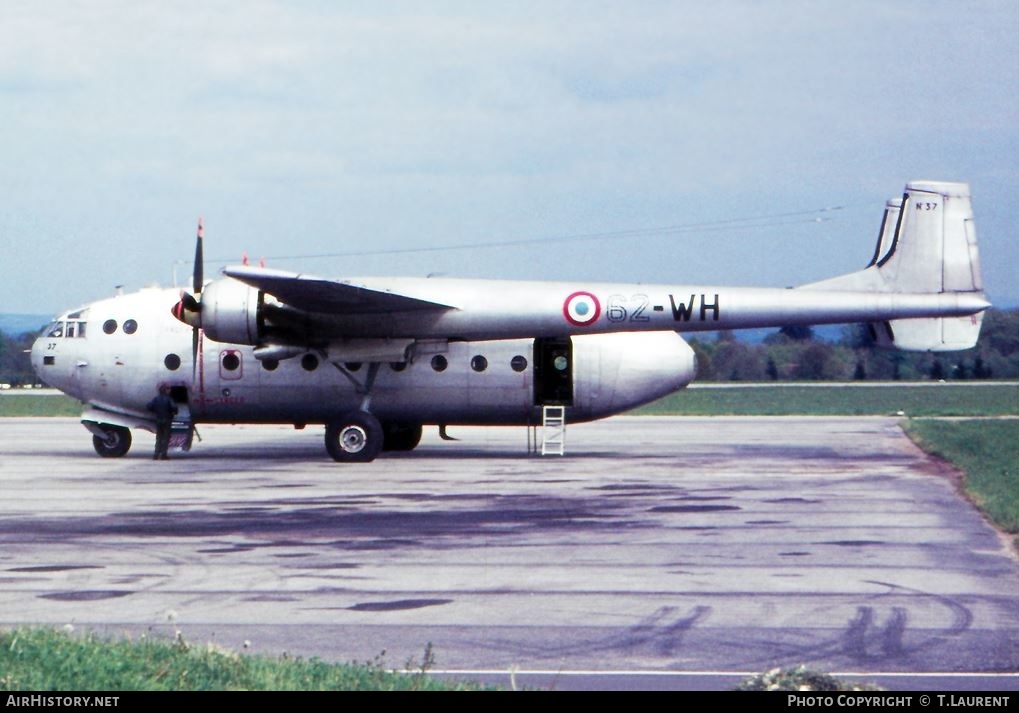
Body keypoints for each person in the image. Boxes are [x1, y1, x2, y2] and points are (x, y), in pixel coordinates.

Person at [147, 385, 178, 460]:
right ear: (165, 391)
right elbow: (174, 407)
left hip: (159, 420)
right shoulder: (169, 399)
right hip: (167, 420)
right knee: (166, 438)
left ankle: (156, 454)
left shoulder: (156, 399)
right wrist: (174, 413)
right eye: (168, 389)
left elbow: (149, 406)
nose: (169, 391)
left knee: (159, 438)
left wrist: (155, 411)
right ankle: (163, 454)